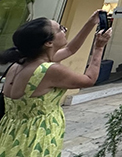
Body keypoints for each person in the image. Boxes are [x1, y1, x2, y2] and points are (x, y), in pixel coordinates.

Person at [0, 12, 112, 156]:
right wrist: (99, 48)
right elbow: (89, 79)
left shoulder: (18, 64)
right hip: (36, 138)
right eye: (60, 29)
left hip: (10, 133)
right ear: (49, 43)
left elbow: (70, 49)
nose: (64, 31)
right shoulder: (49, 70)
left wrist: (90, 23)